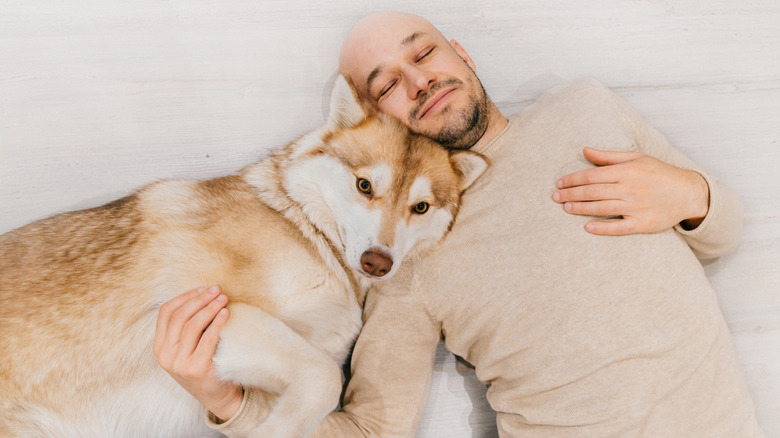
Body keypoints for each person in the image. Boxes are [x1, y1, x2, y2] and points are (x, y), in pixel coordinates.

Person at [154, 11, 764, 437]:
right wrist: (226, 402)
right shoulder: (408, 259)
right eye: (388, 84)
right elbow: (371, 429)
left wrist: (693, 192)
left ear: (461, 55)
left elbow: (721, 235)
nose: (419, 81)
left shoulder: (588, 107)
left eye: (423, 53)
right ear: (373, 117)